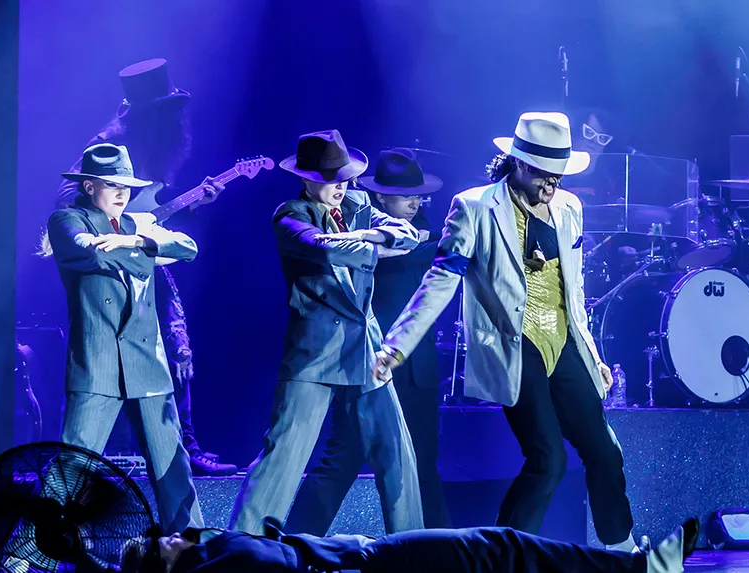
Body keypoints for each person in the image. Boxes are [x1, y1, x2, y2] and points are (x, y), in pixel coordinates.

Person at [375, 112, 644, 551]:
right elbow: (441, 279)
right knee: (548, 460)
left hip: (563, 340)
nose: (551, 184)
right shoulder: (476, 206)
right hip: (514, 344)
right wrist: (397, 346)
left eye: (558, 173)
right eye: (542, 173)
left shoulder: (570, 208)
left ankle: (621, 551)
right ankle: (500, 558)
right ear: (517, 163)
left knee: (605, 450)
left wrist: (593, 355)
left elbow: (573, 292)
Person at [228, 131, 425, 536]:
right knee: (282, 457)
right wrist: (370, 243)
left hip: (366, 348)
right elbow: (325, 248)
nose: (341, 187)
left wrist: (369, 235)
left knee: (397, 453)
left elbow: (408, 234)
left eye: (345, 178)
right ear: (306, 178)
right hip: (315, 351)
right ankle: (240, 547)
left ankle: (413, 548)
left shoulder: (357, 204)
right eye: (331, 179)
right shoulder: (289, 214)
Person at [48, 58, 236, 477]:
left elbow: (164, 224)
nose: (178, 119)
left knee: (174, 344)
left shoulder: (153, 146)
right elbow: (68, 200)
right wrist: (116, 226)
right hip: (106, 266)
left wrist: (182, 208)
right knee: (105, 378)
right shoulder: (109, 142)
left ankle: (184, 449)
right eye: (169, 109)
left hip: (142, 256)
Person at [283, 148, 450, 535]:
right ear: (379, 198)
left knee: (423, 463)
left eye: (419, 195)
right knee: (343, 458)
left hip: (417, 368)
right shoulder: (364, 236)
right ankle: (292, 544)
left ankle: (440, 551)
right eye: (405, 195)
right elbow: (401, 254)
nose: (415, 201)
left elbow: (431, 250)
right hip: (367, 361)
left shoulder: (422, 229)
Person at [46, 143, 203, 533]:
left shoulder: (137, 226)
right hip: (97, 363)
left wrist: (136, 241)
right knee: (73, 465)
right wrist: (142, 249)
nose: (121, 193)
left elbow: (188, 247)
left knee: (172, 467)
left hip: (147, 365)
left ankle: (194, 545)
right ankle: (25, 548)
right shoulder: (67, 220)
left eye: (126, 186)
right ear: (88, 188)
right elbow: (91, 254)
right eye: (111, 184)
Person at [120, 516, 698, 573]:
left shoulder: (208, 550)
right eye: (162, 545)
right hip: (369, 567)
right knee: (500, 548)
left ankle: (635, 568)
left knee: (500, 549)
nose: (173, 536)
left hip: (369, 554)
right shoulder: (211, 569)